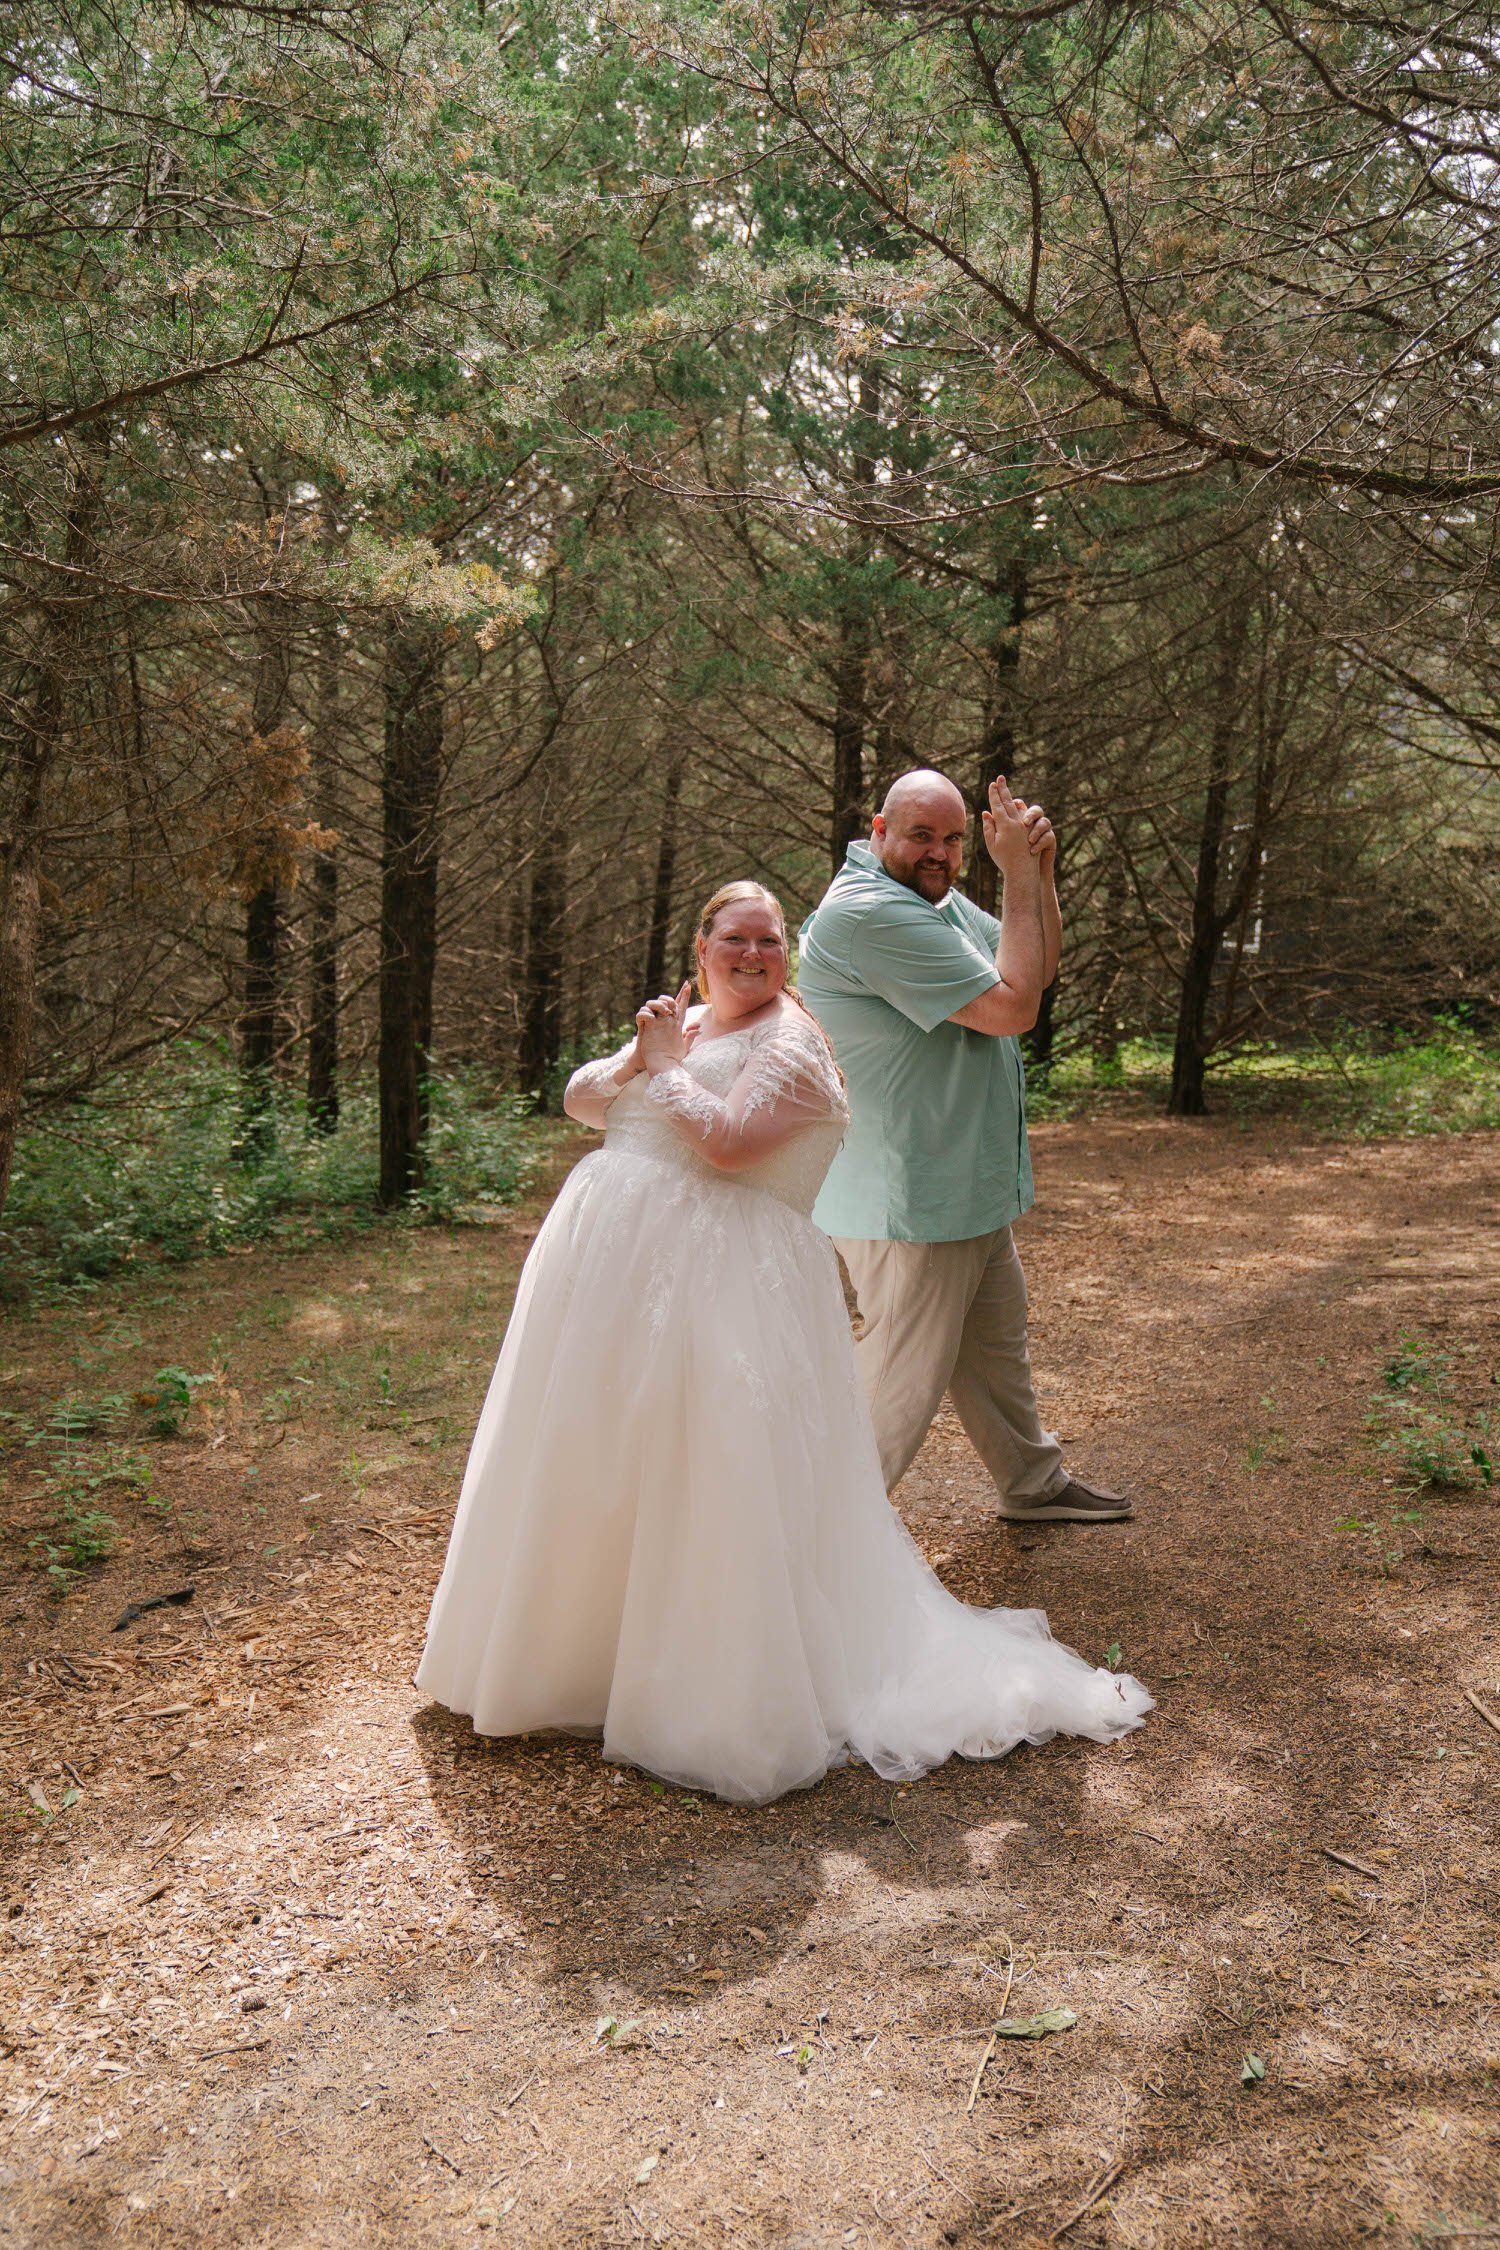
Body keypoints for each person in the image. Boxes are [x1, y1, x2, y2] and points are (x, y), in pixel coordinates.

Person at [416, 875, 1149, 1806]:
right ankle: (578, 1662)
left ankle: (698, 1682)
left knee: (708, 1474)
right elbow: (583, 1102)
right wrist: (647, 1054)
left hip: (723, 1288)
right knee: (604, 1460)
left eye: (770, 943)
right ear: (702, 950)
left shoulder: (794, 1043)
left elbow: (727, 1142)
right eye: (737, 940)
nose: (755, 956)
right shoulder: (686, 1026)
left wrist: (663, 1067)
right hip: (623, 1282)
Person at [798, 769, 1132, 1524]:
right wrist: (1015, 871)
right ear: (878, 830)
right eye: (921, 835)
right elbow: (1014, 1008)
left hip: (963, 1187)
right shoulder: (872, 916)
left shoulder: (932, 902)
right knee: (898, 1383)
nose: (939, 853)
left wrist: (1037, 870)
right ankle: (819, 1534)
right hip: (911, 1198)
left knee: (994, 1354)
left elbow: (1036, 966)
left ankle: (1032, 1484)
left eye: (953, 839)